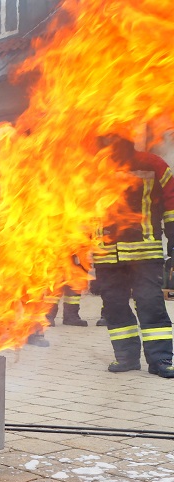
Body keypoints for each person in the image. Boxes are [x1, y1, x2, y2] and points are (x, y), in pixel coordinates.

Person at [94, 134, 174, 377]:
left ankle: (160, 359)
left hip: (144, 252)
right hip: (106, 254)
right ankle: (126, 357)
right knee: (114, 306)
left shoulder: (153, 164)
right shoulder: (90, 169)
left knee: (150, 303)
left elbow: (172, 204)